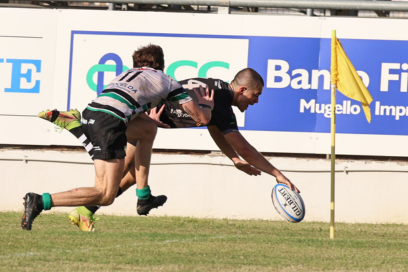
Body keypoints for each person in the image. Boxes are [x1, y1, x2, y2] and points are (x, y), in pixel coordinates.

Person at [40, 68, 300, 232]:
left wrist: (233, 158)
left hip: (141, 122)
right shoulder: (220, 101)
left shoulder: (217, 90)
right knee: (114, 179)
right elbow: (244, 147)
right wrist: (278, 174)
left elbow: (214, 129)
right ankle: (75, 126)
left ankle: (88, 210)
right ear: (242, 89)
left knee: (128, 176)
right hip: (134, 119)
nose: (255, 101)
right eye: (255, 95)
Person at [21, 44, 214, 231]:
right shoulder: (167, 80)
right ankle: (41, 200)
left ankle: (143, 195)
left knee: (148, 128)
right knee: (105, 194)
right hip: (109, 122)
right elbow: (201, 118)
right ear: (161, 65)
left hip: (93, 113)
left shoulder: (125, 75)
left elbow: (126, 106)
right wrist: (206, 104)